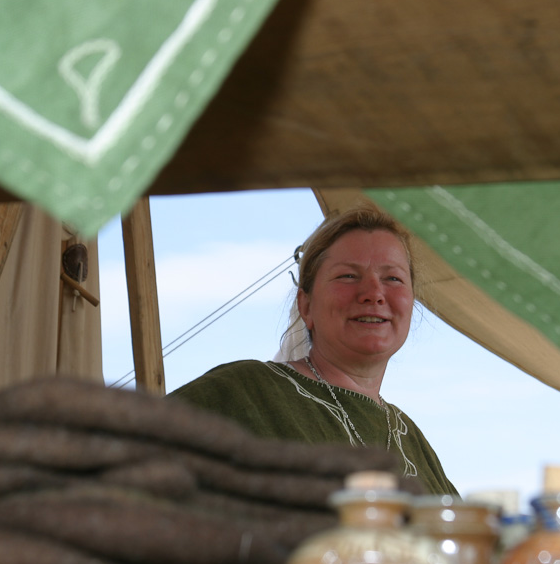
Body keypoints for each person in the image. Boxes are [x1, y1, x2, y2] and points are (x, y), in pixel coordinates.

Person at [168, 204, 457, 495]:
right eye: (348, 276)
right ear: (306, 306)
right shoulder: (246, 392)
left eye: (393, 278)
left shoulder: (414, 441)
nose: (373, 293)